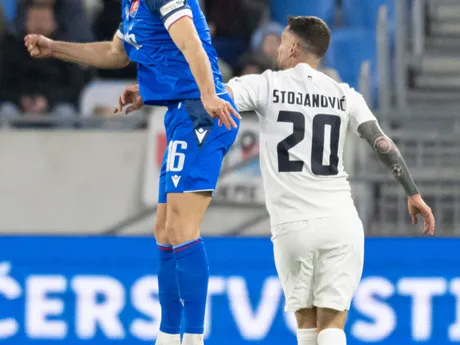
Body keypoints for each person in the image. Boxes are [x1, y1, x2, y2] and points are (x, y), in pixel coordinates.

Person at [24, 1, 240, 345]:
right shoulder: (130, 6)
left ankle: (194, 338)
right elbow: (115, 53)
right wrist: (54, 48)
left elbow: (191, 43)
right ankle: (169, 336)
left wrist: (209, 94)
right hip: (180, 113)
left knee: (182, 228)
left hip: (200, 114)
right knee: (165, 230)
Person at [225, 16, 435, 345]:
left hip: (292, 226)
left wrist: (152, 92)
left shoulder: (265, 85)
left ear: (293, 47)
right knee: (333, 327)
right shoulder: (343, 93)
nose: (278, 48)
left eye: (282, 41)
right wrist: (413, 192)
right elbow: (382, 143)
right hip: (340, 221)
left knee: (307, 328)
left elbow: (212, 99)